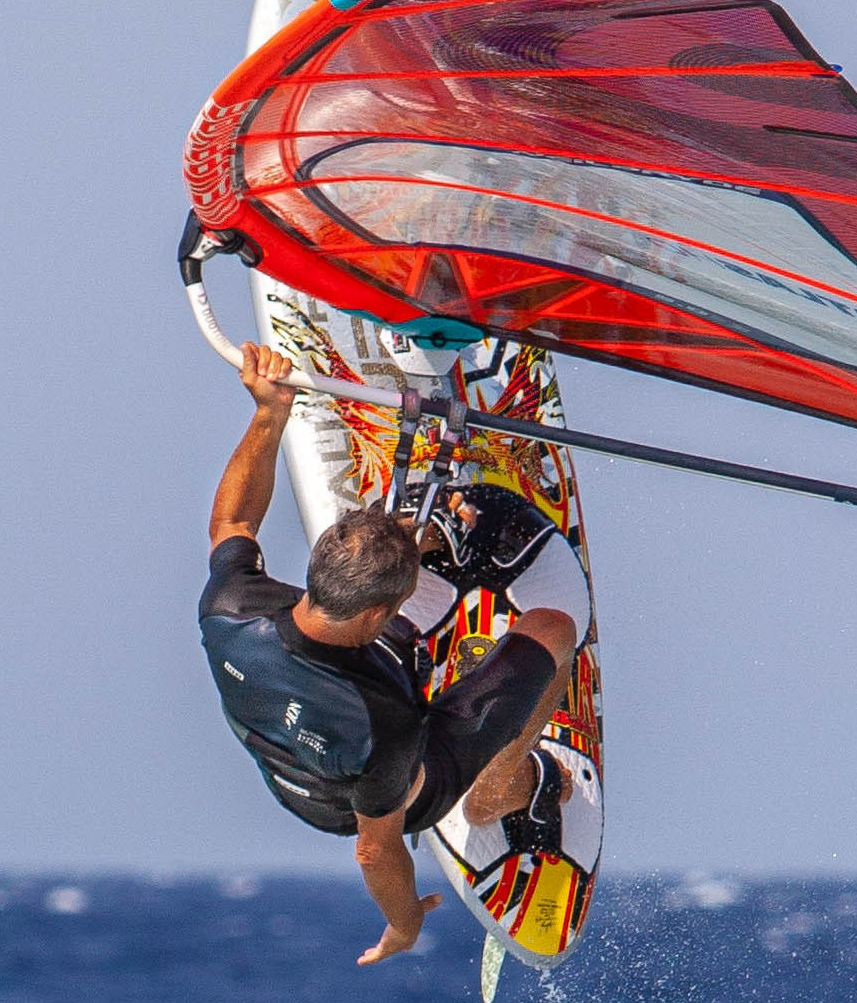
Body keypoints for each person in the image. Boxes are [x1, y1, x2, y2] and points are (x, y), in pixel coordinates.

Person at [199, 345, 587, 964]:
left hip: (296, 756)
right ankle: (506, 788)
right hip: (394, 789)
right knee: (553, 629)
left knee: (401, 539)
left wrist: (268, 415)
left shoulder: (232, 606)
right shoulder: (384, 727)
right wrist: (403, 927)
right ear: (379, 616)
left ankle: (432, 535)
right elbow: (375, 851)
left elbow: (232, 522)